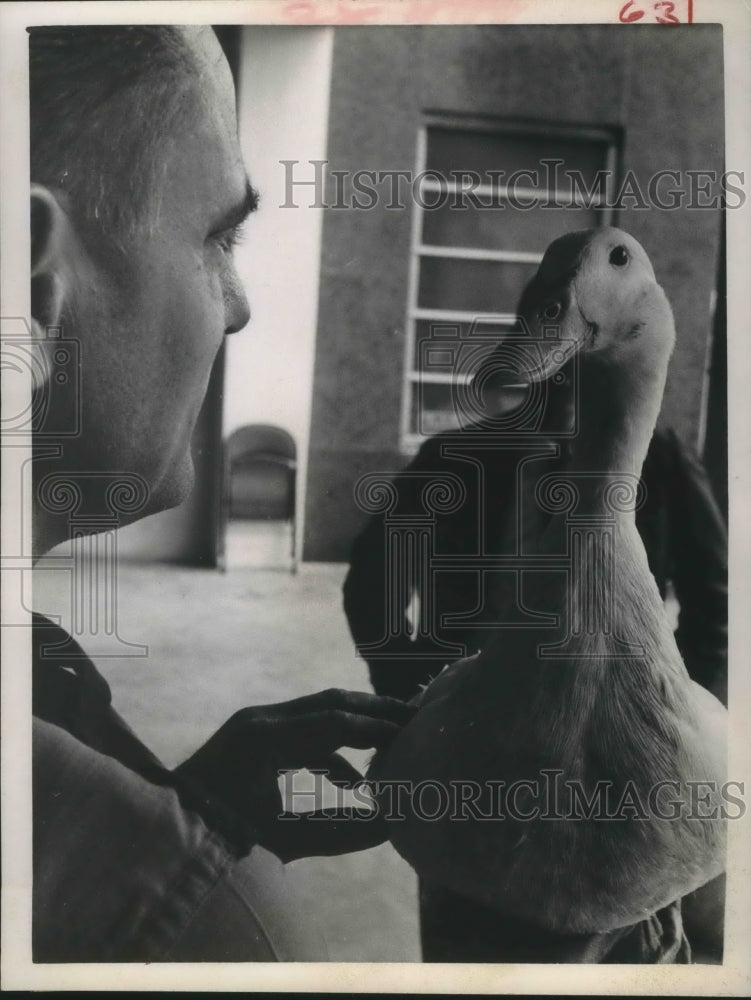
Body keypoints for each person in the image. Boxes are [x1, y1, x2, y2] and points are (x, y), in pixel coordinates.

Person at [29, 25, 414, 962]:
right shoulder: (173, 913)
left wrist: (189, 800)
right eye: (218, 234)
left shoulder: (45, 672)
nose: (237, 304)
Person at [343, 338, 728, 963]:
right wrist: (409, 694)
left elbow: (717, 601)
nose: (573, 373)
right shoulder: (458, 454)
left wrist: (678, 726)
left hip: (620, 769)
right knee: (467, 945)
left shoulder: (657, 457)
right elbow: (373, 573)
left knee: (626, 947)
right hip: (473, 759)